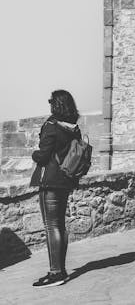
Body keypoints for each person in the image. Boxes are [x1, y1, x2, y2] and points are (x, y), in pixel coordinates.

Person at [29, 90, 81, 287]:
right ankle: (62, 269)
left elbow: (43, 156)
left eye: (51, 102)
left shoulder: (51, 126)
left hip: (50, 180)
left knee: (51, 226)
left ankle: (55, 273)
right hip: (66, 180)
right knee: (59, 225)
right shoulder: (73, 127)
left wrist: (34, 154)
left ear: (56, 105)